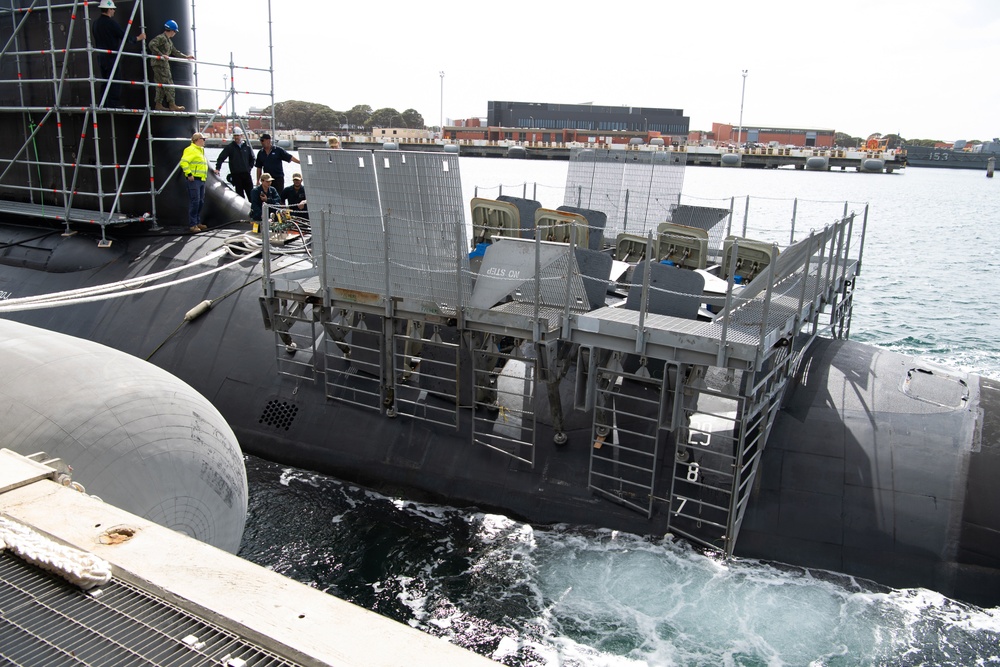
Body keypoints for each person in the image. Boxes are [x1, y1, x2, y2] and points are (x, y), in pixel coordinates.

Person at [91, 0, 145, 108]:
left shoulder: (95, 23)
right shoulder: (111, 23)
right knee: (114, 80)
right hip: (110, 56)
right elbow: (123, 36)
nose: (114, 11)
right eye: (113, 9)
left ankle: (104, 103)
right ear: (109, 9)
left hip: (101, 56)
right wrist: (138, 38)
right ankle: (113, 104)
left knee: (105, 80)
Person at [148, 19, 193, 111]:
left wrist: (186, 57)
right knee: (169, 84)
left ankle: (158, 104)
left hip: (161, 64)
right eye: (175, 31)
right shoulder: (162, 38)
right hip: (160, 64)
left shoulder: (168, 41)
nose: (175, 33)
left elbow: (175, 52)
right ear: (172, 30)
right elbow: (151, 44)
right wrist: (161, 55)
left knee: (160, 85)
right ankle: (172, 104)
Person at [214, 127, 254, 200]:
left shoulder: (247, 148)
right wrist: (218, 168)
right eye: (235, 136)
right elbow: (221, 158)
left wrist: (249, 168)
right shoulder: (230, 147)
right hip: (236, 175)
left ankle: (254, 210)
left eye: (238, 135)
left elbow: (252, 159)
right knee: (240, 196)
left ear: (241, 135)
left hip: (246, 175)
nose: (236, 137)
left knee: (251, 195)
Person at [180, 132, 208, 232]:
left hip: (201, 179)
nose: (204, 141)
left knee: (200, 202)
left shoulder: (201, 151)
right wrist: (189, 174)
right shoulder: (190, 150)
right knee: (195, 202)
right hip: (194, 179)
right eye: (203, 139)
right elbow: (184, 162)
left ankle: (197, 222)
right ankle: (193, 224)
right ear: (197, 140)